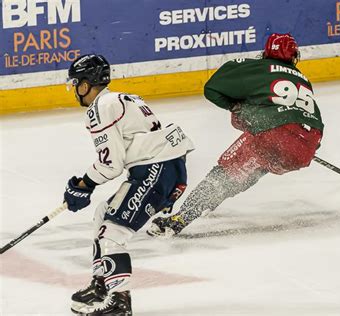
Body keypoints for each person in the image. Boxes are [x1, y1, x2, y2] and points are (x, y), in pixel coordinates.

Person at [147, 33, 323, 238]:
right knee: (261, 160)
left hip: (273, 135)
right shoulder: (304, 79)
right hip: (308, 145)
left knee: (226, 175)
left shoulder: (257, 68)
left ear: (266, 52)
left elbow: (212, 88)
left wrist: (236, 107)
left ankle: (181, 218)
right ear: (294, 56)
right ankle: (227, 187)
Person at [63, 54, 194, 315]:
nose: (76, 90)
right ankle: (101, 283)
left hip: (156, 169)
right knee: (103, 213)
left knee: (113, 231)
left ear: (87, 84)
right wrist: (84, 184)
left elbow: (112, 164)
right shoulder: (123, 98)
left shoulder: (100, 107)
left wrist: (84, 183)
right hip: (166, 167)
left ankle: (120, 303)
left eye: (77, 83)